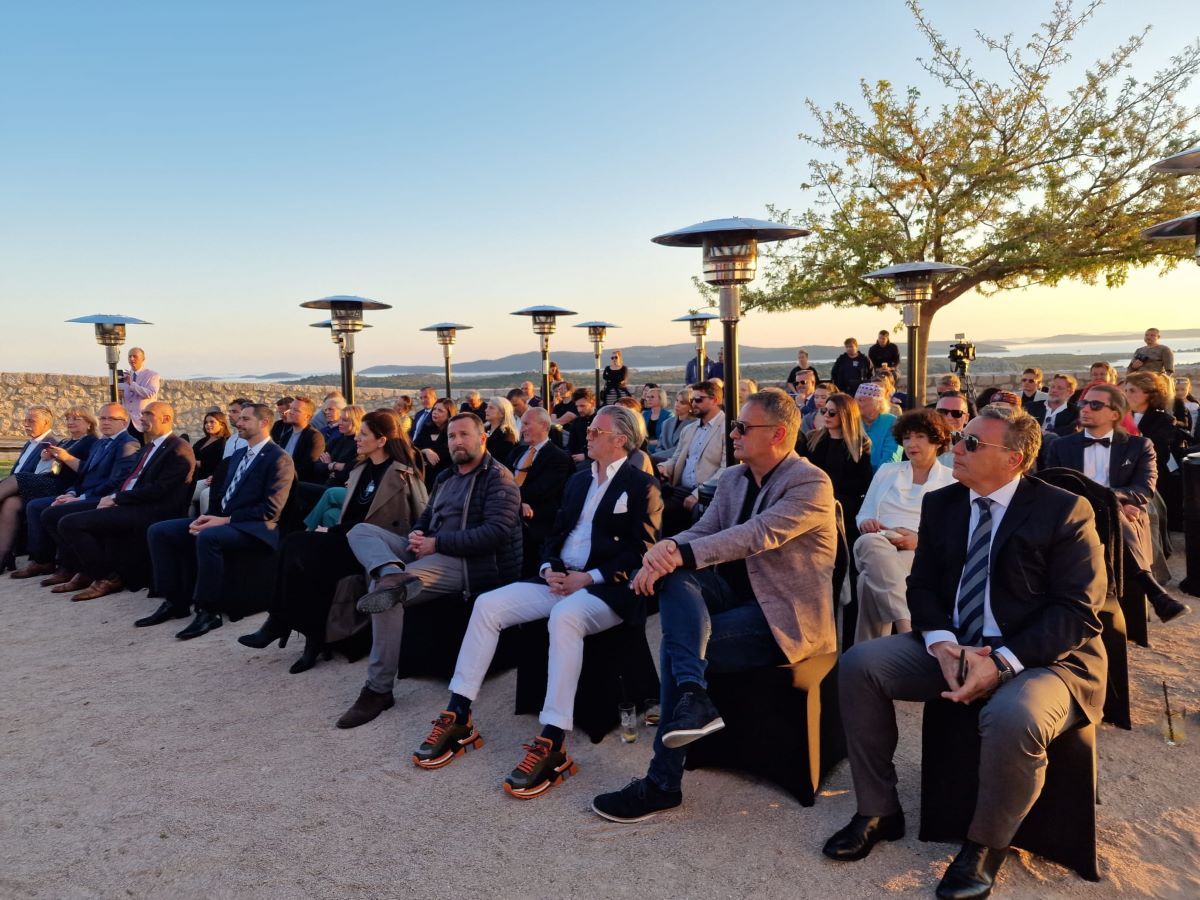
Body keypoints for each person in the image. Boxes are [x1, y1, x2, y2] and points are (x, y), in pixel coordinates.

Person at [825, 407, 1107, 900]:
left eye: (971, 443)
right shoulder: (943, 503)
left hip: (1043, 657)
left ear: (1014, 459)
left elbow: (1077, 611)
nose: (956, 447)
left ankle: (985, 846)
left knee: (1013, 717)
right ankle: (878, 810)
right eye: (959, 437)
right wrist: (941, 644)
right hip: (956, 643)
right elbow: (922, 587)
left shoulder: (1063, 510)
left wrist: (999, 663)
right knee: (860, 665)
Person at [590, 388, 837, 823]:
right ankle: (692, 696)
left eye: (742, 427)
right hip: (734, 598)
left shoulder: (810, 482)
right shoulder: (735, 478)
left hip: (784, 616)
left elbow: (757, 535)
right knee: (675, 577)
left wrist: (676, 555)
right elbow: (703, 530)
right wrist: (663, 550)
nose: (733, 434)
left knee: (675, 649)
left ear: (778, 434)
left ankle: (663, 782)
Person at [413, 405, 662, 794]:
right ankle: (459, 713)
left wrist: (589, 577)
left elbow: (641, 552)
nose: (587, 435)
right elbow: (554, 535)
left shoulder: (642, 486)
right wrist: (549, 569)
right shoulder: (578, 481)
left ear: (621, 440)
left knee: (564, 617)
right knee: (488, 606)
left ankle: (553, 740)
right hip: (559, 579)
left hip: (606, 590)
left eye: (595, 432)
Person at [335, 413, 521, 729]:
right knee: (360, 531)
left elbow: (495, 533)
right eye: (451, 436)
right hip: (431, 549)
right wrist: (418, 534)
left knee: (385, 593)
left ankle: (378, 689)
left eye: (464, 435)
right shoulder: (446, 477)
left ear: (482, 438)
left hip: (467, 563)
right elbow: (427, 515)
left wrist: (437, 543)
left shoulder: (498, 478)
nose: (457, 442)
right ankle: (391, 572)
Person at [238, 410, 427, 674]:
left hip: (374, 549)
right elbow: (351, 514)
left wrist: (334, 531)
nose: (357, 438)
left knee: (303, 550)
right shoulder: (361, 469)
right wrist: (334, 530)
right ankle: (291, 625)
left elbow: (414, 520)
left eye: (363, 434)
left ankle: (285, 625)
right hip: (345, 538)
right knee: (294, 546)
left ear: (381, 440)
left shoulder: (402, 474)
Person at [140, 403, 295, 638]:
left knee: (209, 537)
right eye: (239, 418)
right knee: (159, 531)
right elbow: (223, 495)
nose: (238, 423)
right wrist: (207, 517)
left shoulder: (279, 459)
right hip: (227, 521)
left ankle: (208, 611)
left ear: (264, 423)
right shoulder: (239, 455)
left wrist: (224, 521)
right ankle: (175, 600)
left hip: (256, 528)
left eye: (245, 419)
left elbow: (271, 509)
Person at [1047, 384, 1188, 622]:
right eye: (1083, 403)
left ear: (1114, 414)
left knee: (1112, 512)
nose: (1085, 409)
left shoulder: (1139, 446)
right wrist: (1106, 499)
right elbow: (1053, 486)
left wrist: (1111, 499)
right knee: (1110, 509)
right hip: (1074, 513)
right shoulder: (1061, 446)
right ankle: (1152, 589)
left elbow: (1144, 488)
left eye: (1095, 405)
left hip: (1121, 513)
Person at [53, 402, 196, 601]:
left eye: (149, 414)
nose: (142, 418)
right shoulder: (151, 447)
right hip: (131, 502)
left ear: (166, 419)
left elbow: (160, 490)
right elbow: (130, 480)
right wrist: (113, 498)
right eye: (142, 413)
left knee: (70, 523)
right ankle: (88, 571)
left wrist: (117, 498)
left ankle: (106, 578)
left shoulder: (178, 448)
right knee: (62, 515)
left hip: (152, 510)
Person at [852, 410, 956, 642]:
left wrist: (919, 541)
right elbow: (864, 513)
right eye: (907, 437)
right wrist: (866, 523)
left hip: (919, 552)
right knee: (870, 543)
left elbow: (953, 531)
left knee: (868, 582)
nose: (911, 444)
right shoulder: (887, 471)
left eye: (919, 436)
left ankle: (868, 652)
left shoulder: (951, 479)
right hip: (878, 539)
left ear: (936, 440)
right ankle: (907, 626)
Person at [12, 404, 140, 582]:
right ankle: (48, 562)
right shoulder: (101, 443)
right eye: (103, 418)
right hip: (82, 492)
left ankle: (78, 569)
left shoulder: (128, 443)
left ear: (124, 422)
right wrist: (72, 493)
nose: (105, 422)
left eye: (112, 419)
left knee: (52, 513)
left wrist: (81, 497)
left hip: (103, 498)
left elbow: (116, 482)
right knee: (37, 506)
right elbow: (83, 475)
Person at [0, 406, 89, 567]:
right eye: (68, 419)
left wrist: (63, 457)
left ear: (89, 423)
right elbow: (53, 468)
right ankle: (4, 555)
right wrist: (46, 458)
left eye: (76, 419)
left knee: (18, 478)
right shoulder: (66, 442)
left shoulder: (89, 441)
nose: (70, 422)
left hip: (57, 486)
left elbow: (85, 470)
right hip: (44, 482)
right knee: (10, 503)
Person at [505, 406, 573, 576]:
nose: (522, 429)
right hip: (509, 514)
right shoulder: (518, 452)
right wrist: (518, 502)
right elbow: (502, 480)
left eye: (527, 424)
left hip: (536, 525)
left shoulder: (558, 458)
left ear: (544, 426)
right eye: (522, 424)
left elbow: (542, 491)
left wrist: (514, 499)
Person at [656, 380, 726, 535]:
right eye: (692, 399)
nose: (694, 403)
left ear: (715, 400)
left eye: (698, 399)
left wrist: (698, 494)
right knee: (650, 505)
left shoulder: (726, 429)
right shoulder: (689, 429)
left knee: (664, 511)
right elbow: (676, 458)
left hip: (708, 493)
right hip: (680, 489)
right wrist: (663, 467)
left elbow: (726, 469)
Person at [803, 392, 874, 525]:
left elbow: (864, 482)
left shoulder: (860, 444)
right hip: (814, 502)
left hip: (845, 508)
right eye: (824, 411)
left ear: (845, 415)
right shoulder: (813, 439)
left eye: (832, 413)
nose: (826, 415)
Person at [117, 347, 161, 445]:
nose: (132, 359)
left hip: (143, 422)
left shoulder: (152, 375)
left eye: (135, 356)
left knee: (143, 449)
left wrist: (132, 384)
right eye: (129, 356)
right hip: (126, 423)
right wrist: (119, 395)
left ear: (143, 359)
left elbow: (151, 393)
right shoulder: (124, 376)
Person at [414, 397, 457, 489]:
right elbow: (413, 447)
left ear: (449, 414)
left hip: (445, 479)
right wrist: (425, 451)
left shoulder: (452, 432)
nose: (435, 412)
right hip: (424, 478)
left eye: (440, 410)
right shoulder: (426, 428)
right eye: (434, 409)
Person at [280, 397, 326, 484]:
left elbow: (308, 467)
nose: (290, 412)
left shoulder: (314, 437)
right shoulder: (286, 435)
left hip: (297, 484)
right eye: (291, 408)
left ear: (307, 416)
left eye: (296, 410)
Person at [855, 383, 900, 471]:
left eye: (861, 400)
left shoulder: (892, 422)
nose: (856, 404)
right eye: (855, 400)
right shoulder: (853, 421)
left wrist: (878, 477)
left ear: (876, 403)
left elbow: (891, 456)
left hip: (884, 474)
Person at [652, 388, 694, 463]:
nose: (677, 405)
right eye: (677, 400)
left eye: (682, 403)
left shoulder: (694, 424)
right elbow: (659, 446)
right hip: (659, 460)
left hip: (680, 462)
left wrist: (653, 457)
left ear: (690, 406)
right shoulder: (666, 423)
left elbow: (680, 449)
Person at [933, 390, 971, 466]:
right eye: (942, 412)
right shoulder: (921, 442)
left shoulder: (973, 446)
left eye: (957, 413)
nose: (949, 418)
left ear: (966, 418)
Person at [191, 411, 230, 483]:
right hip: (192, 475)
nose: (208, 424)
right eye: (206, 422)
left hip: (207, 480)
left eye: (212, 422)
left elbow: (214, 464)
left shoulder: (225, 442)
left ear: (222, 425)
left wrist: (191, 461)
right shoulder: (203, 440)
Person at [566, 388, 597, 463]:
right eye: (577, 406)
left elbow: (605, 447)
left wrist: (586, 456)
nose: (579, 410)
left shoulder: (601, 421)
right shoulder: (576, 422)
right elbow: (571, 446)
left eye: (582, 406)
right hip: (576, 460)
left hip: (595, 460)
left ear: (593, 403)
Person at [483, 396, 520, 460]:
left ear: (502, 413)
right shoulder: (484, 429)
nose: (486, 410)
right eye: (487, 407)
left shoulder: (508, 435)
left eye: (491, 408)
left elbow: (498, 458)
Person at [641, 384, 674, 453]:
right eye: (647, 397)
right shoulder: (644, 414)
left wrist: (649, 442)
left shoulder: (668, 415)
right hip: (644, 447)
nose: (649, 399)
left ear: (661, 399)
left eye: (652, 397)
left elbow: (666, 438)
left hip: (660, 449)